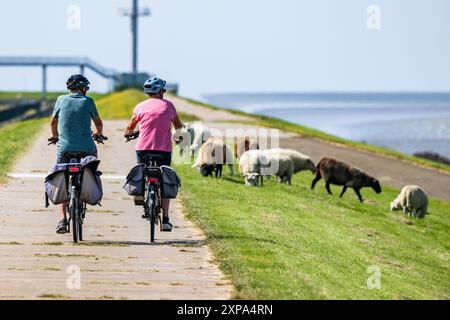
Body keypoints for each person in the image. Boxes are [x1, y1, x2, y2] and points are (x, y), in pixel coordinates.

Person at [124, 77, 183, 231]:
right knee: (165, 180)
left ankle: (139, 194)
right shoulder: (169, 106)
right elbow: (178, 126)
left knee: (141, 169)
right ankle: (166, 219)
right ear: (162, 92)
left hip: (143, 149)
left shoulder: (140, 107)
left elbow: (130, 127)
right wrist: (178, 137)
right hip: (163, 150)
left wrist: (129, 133)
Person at [50, 74, 104, 234]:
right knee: (91, 167)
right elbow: (98, 123)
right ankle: (88, 189)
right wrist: (98, 134)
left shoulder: (60, 99)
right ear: (83, 89)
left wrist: (55, 137)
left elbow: (53, 121)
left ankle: (63, 220)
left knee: (62, 177)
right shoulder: (89, 101)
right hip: (86, 147)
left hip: (64, 148)